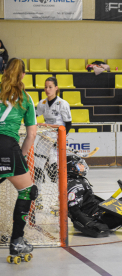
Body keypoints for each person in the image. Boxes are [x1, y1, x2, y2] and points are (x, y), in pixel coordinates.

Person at [0, 58, 37, 259]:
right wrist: (19, 157)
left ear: (4, 71)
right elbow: (31, 134)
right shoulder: (25, 98)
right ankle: (17, 241)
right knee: (27, 191)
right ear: (23, 75)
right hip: (6, 146)